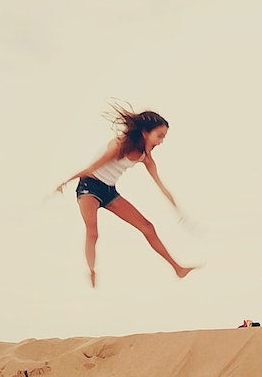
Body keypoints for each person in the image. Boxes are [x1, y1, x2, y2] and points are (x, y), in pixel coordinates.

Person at [55, 107, 196, 288]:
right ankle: (91, 270)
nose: (161, 142)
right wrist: (65, 182)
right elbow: (92, 168)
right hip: (89, 186)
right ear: (145, 133)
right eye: (159, 136)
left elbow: (161, 186)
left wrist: (178, 210)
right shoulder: (119, 146)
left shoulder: (146, 157)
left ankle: (178, 269)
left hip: (109, 191)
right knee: (93, 231)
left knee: (148, 227)